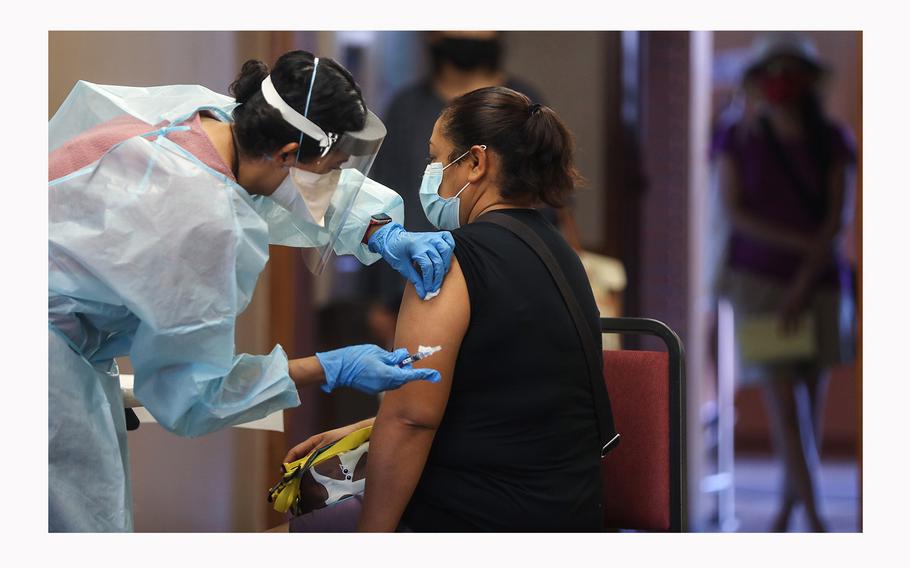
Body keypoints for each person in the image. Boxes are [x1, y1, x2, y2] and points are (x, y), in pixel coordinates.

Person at [48, 50, 454, 532]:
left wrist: (377, 229)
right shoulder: (201, 218)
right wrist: (329, 366)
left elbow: (276, 186)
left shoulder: (207, 120)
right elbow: (194, 396)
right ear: (286, 154)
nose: (332, 184)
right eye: (332, 170)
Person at [285, 87, 618, 531]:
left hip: (478, 515)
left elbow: (412, 418)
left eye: (436, 158)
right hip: (568, 512)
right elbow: (504, 396)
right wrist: (370, 424)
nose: (430, 174)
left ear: (476, 163)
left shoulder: (446, 259)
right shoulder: (561, 254)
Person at [713, 33, 856, 532]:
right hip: (759, 282)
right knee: (784, 406)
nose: (780, 81)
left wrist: (805, 271)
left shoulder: (833, 138)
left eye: (789, 70)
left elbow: (839, 218)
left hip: (821, 285)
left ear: (809, 79)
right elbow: (734, 212)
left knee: (810, 405)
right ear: (756, 79)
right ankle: (814, 518)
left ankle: (787, 509)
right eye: (770, 70)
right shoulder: (739, 137)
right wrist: (804, 250)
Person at [363, 31, 547, 309]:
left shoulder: (526, 107)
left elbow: (550, 202)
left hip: (508, 282)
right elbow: (379, 197)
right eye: (430, 157)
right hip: (411, 279)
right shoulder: (407, 108)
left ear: (476, 162)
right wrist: (376, 296)